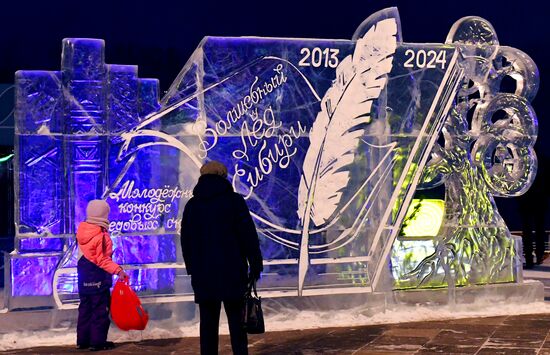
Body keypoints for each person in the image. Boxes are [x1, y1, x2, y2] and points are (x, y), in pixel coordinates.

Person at [181, 161, 263, 355]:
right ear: (223, 176)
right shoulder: (234, 202)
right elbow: (248, 235)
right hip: (233, 271)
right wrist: (255, 263)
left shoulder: (193, 205)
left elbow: (187, 240)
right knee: (237, 324)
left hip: (203, 274)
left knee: (208, 324)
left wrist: (192, 268)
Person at [76, 199, 128, 351]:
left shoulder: (82, 230)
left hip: (84, 276)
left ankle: (83, 341)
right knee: (100, 310)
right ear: (104, 215)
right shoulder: (102, 235)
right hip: (97, 277)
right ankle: (98, 342)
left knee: (85, 308)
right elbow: (102, 260)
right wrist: (118, 270)